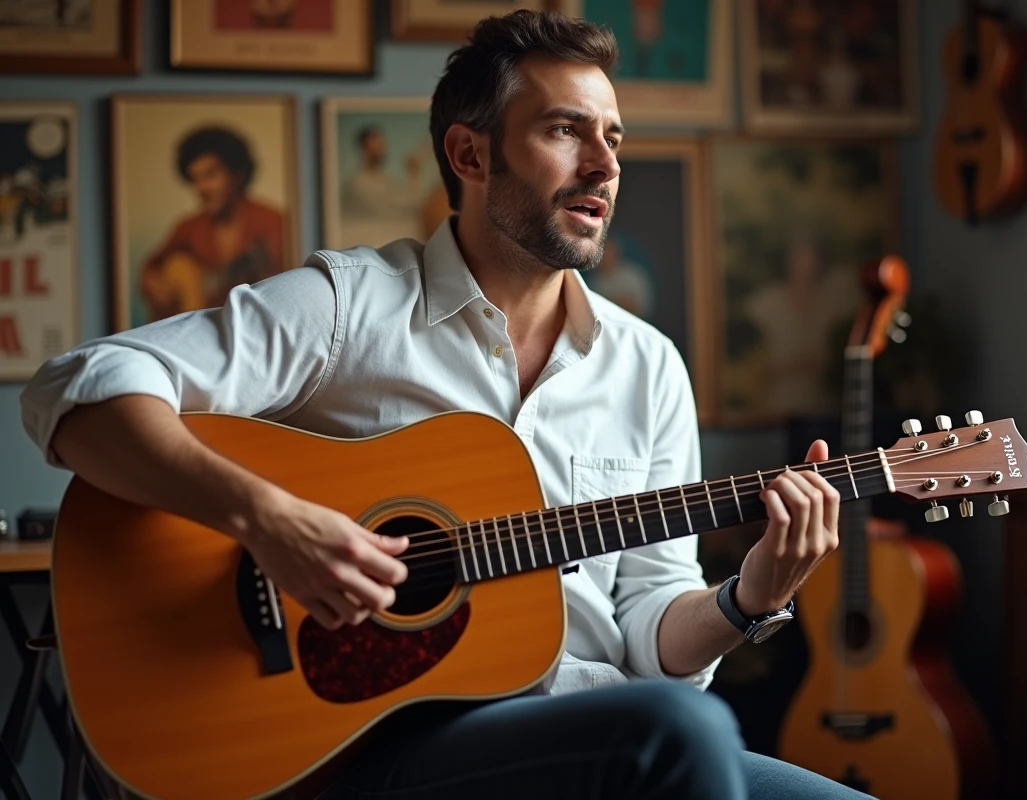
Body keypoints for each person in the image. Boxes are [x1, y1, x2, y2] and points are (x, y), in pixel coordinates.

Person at [20, 10, 870, 800]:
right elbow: (80, 387)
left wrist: (750, 598)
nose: (605, 165)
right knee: (680, 731)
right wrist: (268, 519)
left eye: (612, 137)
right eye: (565, 130)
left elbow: (651, 631)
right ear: (470, 155)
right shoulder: (349, 308)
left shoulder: (647, 366)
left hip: (605, 732)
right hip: (377, 740)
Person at [139, 125, 286, 322]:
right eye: (195, 179)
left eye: (210, 176)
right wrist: (159, 289)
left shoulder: (272, 222)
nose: (202, 188)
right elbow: (151, 269)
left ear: (237, 174)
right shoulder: (188, 227)